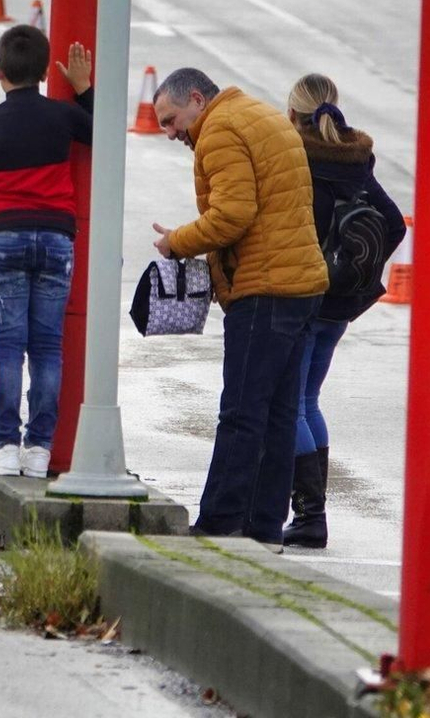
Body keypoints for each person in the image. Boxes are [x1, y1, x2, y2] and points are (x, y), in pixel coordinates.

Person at [151, 67, 330, 544]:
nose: (172, 134)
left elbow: (232, 214)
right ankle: (264, 527)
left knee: (242, 412)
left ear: (195, 98)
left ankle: (221, 519)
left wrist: (178, 242)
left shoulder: (220, 130)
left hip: (265, 287)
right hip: (301, 284)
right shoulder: (261, 114)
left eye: (171, 121)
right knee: (277, 412)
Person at [0, 26, 93, 478]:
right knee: (48, 346)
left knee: (9, 346)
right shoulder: (62, 117)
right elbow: (101, 133)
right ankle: (40, 451)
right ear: (42, 71)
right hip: (57, 238)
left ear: (0, 73)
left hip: (7, 237)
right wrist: (83, 88)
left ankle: (7, 447)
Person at [280, 74, 405, 548]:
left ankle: (310, 518)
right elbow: (393, 223)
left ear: (292, 114)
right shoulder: (357, 160)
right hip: (340, 304)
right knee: (307, 402)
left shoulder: (298, 159)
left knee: (291, 404)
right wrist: (355, 272)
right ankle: (311, 515)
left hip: (306, 295)